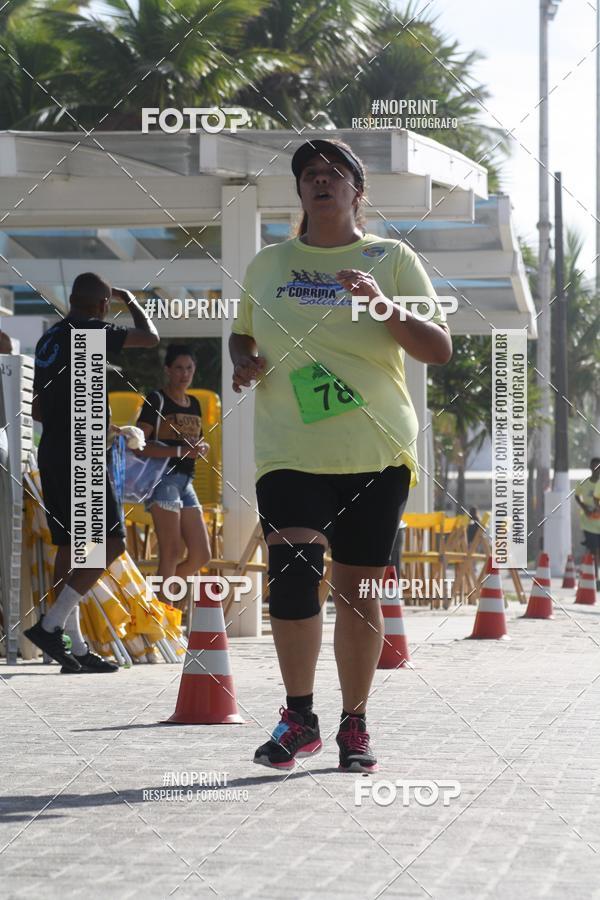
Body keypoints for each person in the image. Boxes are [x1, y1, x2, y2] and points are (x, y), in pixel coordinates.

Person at [230, 138, 452, 772]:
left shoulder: (392, 257)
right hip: (290, 446)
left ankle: (355, 723)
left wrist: (380, 303)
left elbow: (437, 349)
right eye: (309, 175)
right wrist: (242, 359)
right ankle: (299, 716)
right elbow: (243, 328)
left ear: (359, 191)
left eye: (334, 174)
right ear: (299, 192)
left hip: (375, 446)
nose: (320, 182)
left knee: (358, 590)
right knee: (294, 577)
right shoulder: (268, 263)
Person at [25, 273, 159, 672]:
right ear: (103, 306)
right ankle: (51, 627)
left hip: (50, 450)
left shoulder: (49, 339)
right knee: (110, 544)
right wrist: (132, 301)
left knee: (70, 548)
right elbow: (149, 337)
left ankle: (74, 649)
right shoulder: (89, 331)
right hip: (80, 453)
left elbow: (36, 408)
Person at [136, 344, 211, 605]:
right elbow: (139, 446)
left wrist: (200, 448)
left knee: (201, 554)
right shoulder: (156, 400)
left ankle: (155, 601)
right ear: (168, 370)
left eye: (189, 368)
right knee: (171, 550)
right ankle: (162, 616)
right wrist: (180, 450)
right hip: (162, 478)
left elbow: (195, 441)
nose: (184, 374)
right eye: (178, 368)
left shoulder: (196, 403)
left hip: (186, 481)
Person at [574, 458, 600, 588]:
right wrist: (585, 508)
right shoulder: (583, 483)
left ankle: (590, 575)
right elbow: (577, 496)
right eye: (594, 468)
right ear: (591, 468)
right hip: (588, 523)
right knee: (594, 550)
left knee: (594, 551)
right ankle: (594, 578)